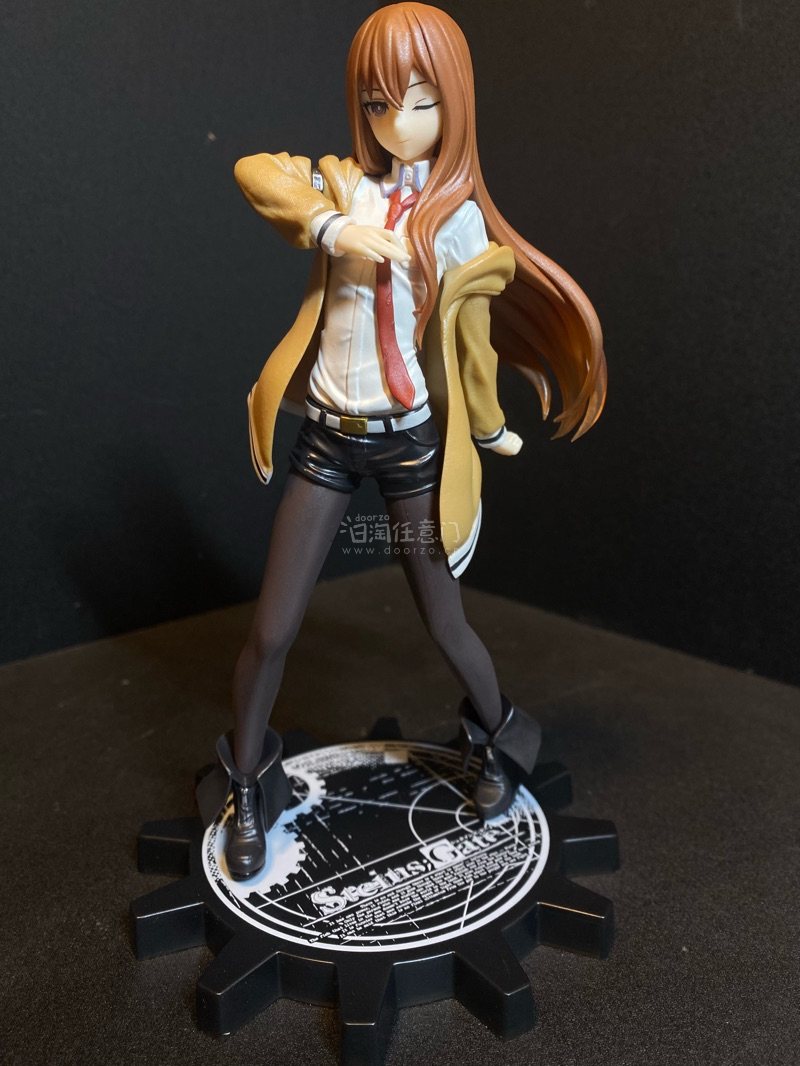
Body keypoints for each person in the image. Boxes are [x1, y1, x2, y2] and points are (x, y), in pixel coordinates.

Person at [197, 3, 607, 880]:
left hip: (409, 444)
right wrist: (332, 227)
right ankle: (249, 782)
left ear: (454, 103)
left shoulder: (458, 223)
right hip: (327, 440)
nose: (399, 122)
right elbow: (252, 170)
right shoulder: (344, 186)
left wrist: (488, 428)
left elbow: (471, 343)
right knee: (271, 628)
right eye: (380, 103)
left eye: (421, 101)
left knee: (443, 618)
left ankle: (502, 737)